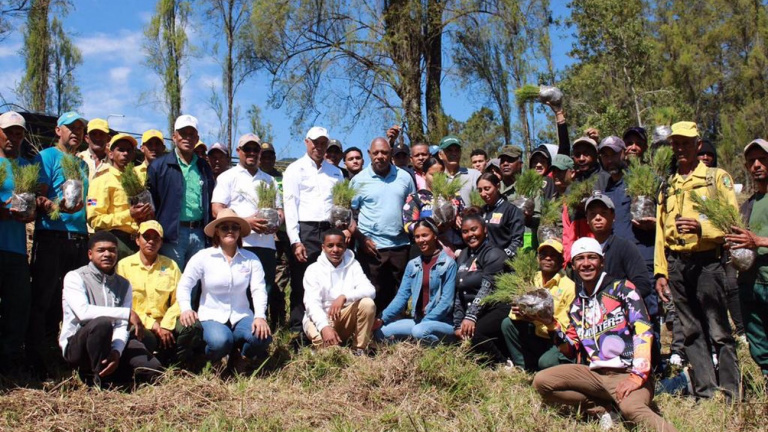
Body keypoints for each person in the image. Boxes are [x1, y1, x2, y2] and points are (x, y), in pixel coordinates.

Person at [533, 237, 676, 432]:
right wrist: (551, 325)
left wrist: (638, 375)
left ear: (602, 262)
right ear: (573, 265)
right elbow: (570, 349)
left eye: (592, 257)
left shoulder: (623, 289)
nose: (586, 263)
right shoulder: (577, 307)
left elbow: (643, 330)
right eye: (580, 259)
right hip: (595, 375)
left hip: (627, 372)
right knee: (542, 382)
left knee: (632, 410)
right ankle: (603, 408)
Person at [654, 121, 740, 401]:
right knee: (690, 331)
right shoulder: (667, 185)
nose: (680, 148)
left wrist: (703, 229)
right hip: (677, 264)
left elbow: (732, 224)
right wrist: (660, 272)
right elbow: (659, 232)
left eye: (686, 143)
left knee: (718, 329)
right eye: (676, 143)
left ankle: (730, 393)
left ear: (698, 145)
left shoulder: (715, 178)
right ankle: (706, 392)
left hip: (708, 263)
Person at [27, 111, 90, 376]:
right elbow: (36, 198)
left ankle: (62, 353)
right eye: (70, 127)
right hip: (52, 235)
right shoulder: (46, 157)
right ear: (58, 131)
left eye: (79, 128)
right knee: (45, 298)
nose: (75, 132)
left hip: (78, 239)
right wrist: (57, 207)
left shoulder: (82, 165)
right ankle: (34, 356)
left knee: (70, 301)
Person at [59, 231, 163, 387]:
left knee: (152, 368)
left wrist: (116, 351)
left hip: (112, 341)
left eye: (112, 250)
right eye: (101, 250)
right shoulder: (75, 277)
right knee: (102, 323)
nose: (107, 254)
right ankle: (92, 376)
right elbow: (83, 313)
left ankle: (113, 369)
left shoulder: (124, 284)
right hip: (79, 346)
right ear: (90, 254)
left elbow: (122, 325)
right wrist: (126, 314)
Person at [177, 209, 272, 370]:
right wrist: (186, 308)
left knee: (263, 337)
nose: (230, 231)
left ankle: (241, 356)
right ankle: (209, 359)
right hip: (212, 315)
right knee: (220, 342)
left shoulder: (251, 259)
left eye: (234, 227)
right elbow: (185, 284)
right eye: (224, 227)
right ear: (217, 232)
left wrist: (260, 317)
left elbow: (258, 289)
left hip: (241, 314)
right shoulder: (203, 257)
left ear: (239, 232)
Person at [212, 133, 282, 325]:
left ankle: (258, 333)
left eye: (255, 149)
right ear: (238, 152)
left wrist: (276, 222)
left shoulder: (270, 180)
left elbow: (279, 211)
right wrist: (245, 223)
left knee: (263, 290)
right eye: (247, 149)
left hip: (266, 245)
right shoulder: (228, 177)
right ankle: (235, 332)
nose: (252, 153)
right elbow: (216, 208)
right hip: (239, 244)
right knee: (238, 290)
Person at [116, 220, 204, 366]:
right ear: (138, 240)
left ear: (161, 243)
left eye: (156, 238)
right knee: (139, 336)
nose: (151, 241)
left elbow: (180, 298)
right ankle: (153, 362)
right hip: (141, 325)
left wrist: (165, 325)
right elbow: (123, 304)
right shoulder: (124, 266)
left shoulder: (170, 265)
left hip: (165, 323)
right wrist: (153, 325)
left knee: (192, 326)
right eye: (146, 237)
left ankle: (176, 364)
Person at [283, 126, 344, 332]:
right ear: (306, 142)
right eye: (315, 142)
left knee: (328, 278)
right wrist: (295, 240)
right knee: (301, 279)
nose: (319, 147)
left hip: (329, 230)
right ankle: (297, 330)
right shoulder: (294, 169)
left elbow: (340, 204)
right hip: (305, 229)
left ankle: (325, 326)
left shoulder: (335, 172)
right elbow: (290, 206)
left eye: (322, 143)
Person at [351, 137, 415, 311]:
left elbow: (413, 208)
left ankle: (395, 329)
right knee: (373, 291)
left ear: (391, 154)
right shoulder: (359, 180)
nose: (380, 156)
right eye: (376, 152)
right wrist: (361, 239)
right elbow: (347, 214)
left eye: (384, 152)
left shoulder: (405, 177)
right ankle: (373, 331)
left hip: (400, 245)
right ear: (369, 154)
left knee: (398, 291)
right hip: (371, 247)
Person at [147, 114, 215, 270]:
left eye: (192, 134)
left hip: (199, 233)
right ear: (174, 136)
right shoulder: (159, 166)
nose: (187, 138)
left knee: (195, 282)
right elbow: (152, 202)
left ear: (197, 138)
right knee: (172, 281)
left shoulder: (204, 167)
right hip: (172, 234)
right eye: (183, 133)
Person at [725, 138, 768, 379]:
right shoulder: (748, 205)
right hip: (751, 284)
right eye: (752, 161)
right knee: (758, 342)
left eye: (762, 159)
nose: (757, 165)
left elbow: (754, 241)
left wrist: (759, 241)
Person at [376, 219, 456, 344]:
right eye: (417, 236)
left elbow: (446, 302)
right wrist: (382, 318)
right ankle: (417, 343)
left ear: (434, 235)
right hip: (418, 321)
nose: (420, 240)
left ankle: (441, 350)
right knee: (381, 332)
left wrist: (426, 322)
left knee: (419, 331)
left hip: (442, 322)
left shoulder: (448, 263)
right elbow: (401, 297)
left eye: (425, 235)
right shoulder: (413, 265)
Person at [500, 239, 574, 371]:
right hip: (534, 331)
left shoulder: (569, 287)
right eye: (543, 255)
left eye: (553, 255)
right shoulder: (530, 279)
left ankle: (547, 367)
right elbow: (513, 314)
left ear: (561, 260)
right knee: (507, 324)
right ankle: (524, 367)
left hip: (554, 338)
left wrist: (546, 320)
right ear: (538, 259)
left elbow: (565, 328)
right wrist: (521, 312)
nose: (548, 258)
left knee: (546, 363)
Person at [302, 229, 376, 353]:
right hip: (319, 319)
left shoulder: (353, 265)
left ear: (345, 246)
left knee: (367, 303)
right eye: (330, 246)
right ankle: (323, 347)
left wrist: (344, 297)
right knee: (330, 353)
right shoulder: (313, 270)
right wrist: (324, 327)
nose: (335, 250)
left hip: (344, 317)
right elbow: (312, 304)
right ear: (323, 247)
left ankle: (358, 349)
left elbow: (370, 290)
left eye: (339, 246)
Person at [0, 122, 35, 373]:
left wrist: (28, 213)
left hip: (17, 249)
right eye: (8, 132)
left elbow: (31, 206)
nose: (13, 137)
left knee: (18, 305)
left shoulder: (27, 167)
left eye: (18, 133)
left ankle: (10, 359)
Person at [453, 211, 509, 365]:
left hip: (496, 308)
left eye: (474, 229)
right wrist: (458, 323)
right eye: (465, 231)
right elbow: (459, 291)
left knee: (475, 333)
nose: (470, 234)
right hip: (474, 311)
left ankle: (503, 364)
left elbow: (487, 287)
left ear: (484, 230)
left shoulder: (494, 254)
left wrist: (471, 317)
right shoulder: (463, 255)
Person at [86, 133, 154, 258]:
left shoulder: (139, 181)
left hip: (139, 243)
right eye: (121, 150)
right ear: (110, 154)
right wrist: (129, 215)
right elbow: (95, 220)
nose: (125, 154)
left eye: (129, 150)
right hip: (116, 242)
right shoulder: (101, 181)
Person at [584, 193, 653, 309]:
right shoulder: (584, 251)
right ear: (587, 219)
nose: (598, 218)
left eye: (603, 213)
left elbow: (643, 285)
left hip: (622, 316)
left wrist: (616, 301)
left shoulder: (625, 247)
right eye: (592, 214)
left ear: (613, 216)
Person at [402, 156, 463, 255]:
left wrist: (457, 218)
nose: (437, 179)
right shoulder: (415, 199)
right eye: (433, 175)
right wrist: (431, 228)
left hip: (455, 250)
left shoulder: (453, 196)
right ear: (424, 175)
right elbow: (408, 225)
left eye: (441, 175)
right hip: (426, 252)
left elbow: (465, 218)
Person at [259, 142, 288, 328]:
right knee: (261, 278)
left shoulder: (283, 178)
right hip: (260, 237)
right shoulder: (256, 179)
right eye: (264, 156)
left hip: (282, 236)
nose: (267, 159)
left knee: (280, 278)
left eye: (270, 155)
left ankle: (278, 320)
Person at [476, 172, 524, 259]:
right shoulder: (481, 211)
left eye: (487, 189)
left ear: (497, 186)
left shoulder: (511, 210)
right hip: (483, 260)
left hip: (505, 264)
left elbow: (517, 241)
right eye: (480, 190)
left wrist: (502, 257)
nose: (483, 193)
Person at [438, 135, 481, 208]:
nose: (454, 153)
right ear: (440, 155)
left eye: (457, 150)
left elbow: (481, 203)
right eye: (449, 150)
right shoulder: (437, 179)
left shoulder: (475, 175)